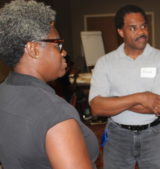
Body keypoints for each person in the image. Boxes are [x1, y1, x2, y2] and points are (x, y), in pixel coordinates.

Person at [0, 1, 99, 169]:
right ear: (33, 49)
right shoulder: (55, 113)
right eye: (58, 44)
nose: (64, 52)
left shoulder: (4, 92)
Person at [88, 4, 160, 169]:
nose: (141, 32)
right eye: (133, 28)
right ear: (121, 32)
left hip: (154, 136)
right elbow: (97, 108)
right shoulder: (105, 63)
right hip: (117, 136)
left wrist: (113, 102)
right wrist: (141, 97)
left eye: (143, 26)